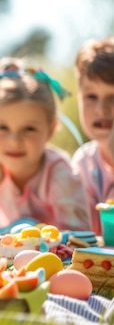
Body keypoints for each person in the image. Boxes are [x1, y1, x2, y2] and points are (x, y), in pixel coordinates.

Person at [0, 57, 92, 232]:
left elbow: (78, 235)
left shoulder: (58, 173)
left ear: (50, 130)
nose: (14, 141)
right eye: (3, 128)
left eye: (29, 129)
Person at [71, 37, 114, 236]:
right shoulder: (85, 162)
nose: (101, 109)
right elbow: (80, 231)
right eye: (91, 97)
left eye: (112, 97)